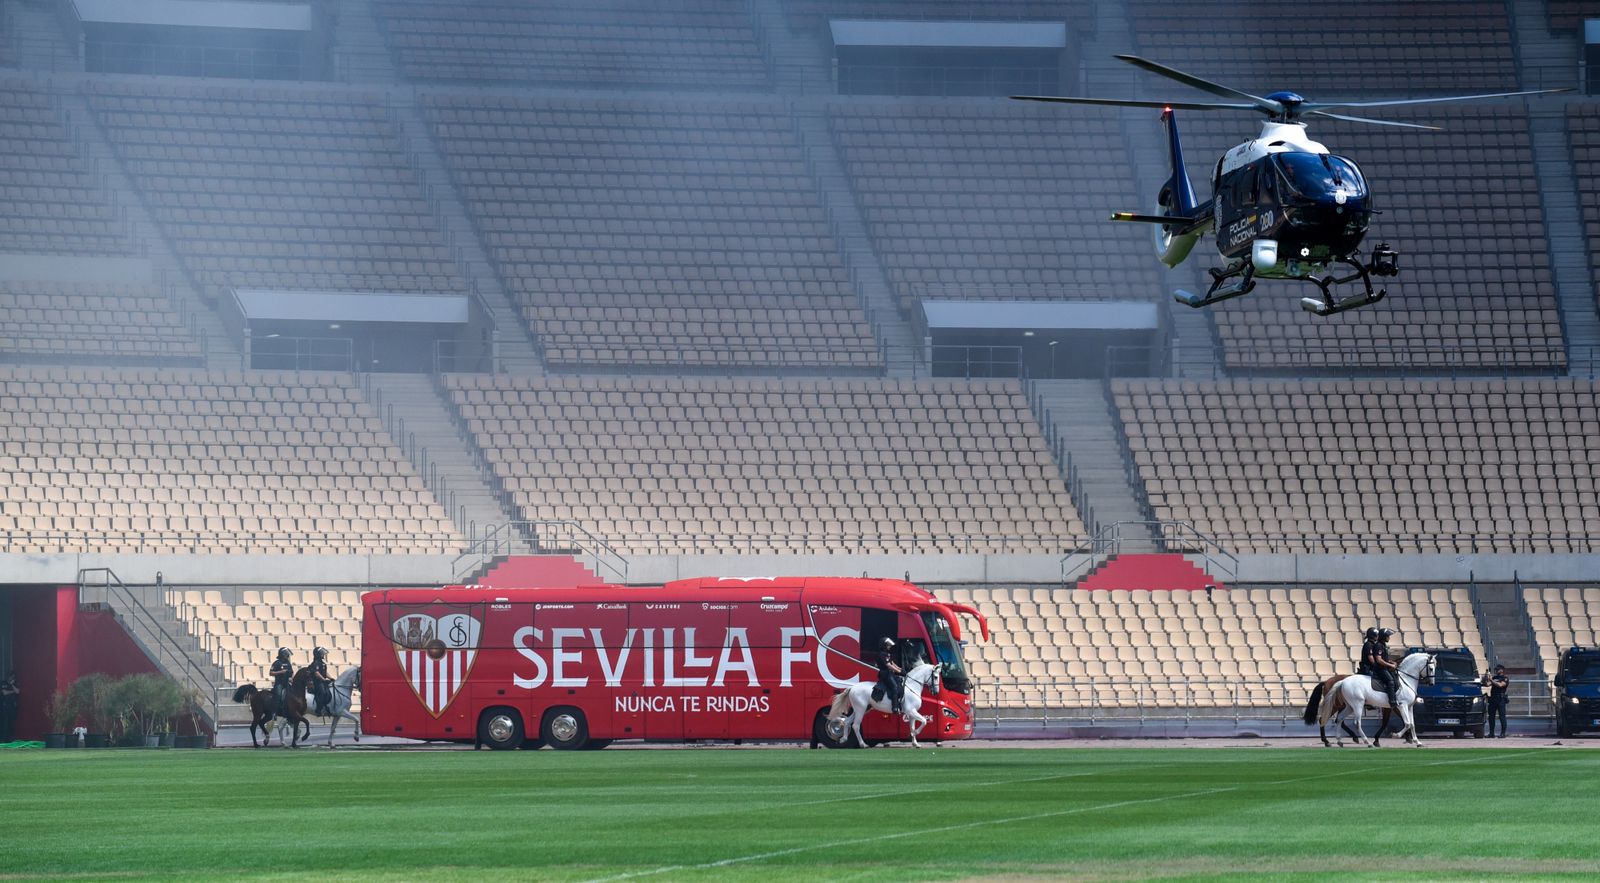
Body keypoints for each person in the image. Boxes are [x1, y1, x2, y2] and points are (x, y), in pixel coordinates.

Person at [1362, 627, 1399, 704]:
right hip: (1371, 668)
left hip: (1380, 667)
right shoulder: (1371, 645)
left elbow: (1383, 658)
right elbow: (1376, 660)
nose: (1389, 637)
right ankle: (1392, 701)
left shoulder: (1381, 645)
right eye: (1387, 636)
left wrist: (1391, 662)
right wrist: (1387, 665)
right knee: (1390, 681)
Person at [875, 637, 904, 715]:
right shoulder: (882, 654)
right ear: (884, 645)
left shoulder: (887, 654)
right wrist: (898, 671)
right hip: (885, 674)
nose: (889, 647)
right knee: (894, 687)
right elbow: (888, 665)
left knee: (900, 683)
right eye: (888, 645)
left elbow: (892, 663)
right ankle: (894, 707)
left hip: (890, 673)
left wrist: (900, 669)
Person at [306, 647, 334, 716]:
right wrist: (324, 680)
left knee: (330, 691)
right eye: (321, 653)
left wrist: (331, 678)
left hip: (322, 681)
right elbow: (316, 673)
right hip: (317, 682)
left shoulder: (323, 663)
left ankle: (327, 706)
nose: (323, 654)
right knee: (322, 692)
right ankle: (319, 709)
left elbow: (325, 673)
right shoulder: (316, 663)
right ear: (318, 654)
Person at [1484, 663, 1509, 738]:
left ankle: (1503, 733)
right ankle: (1491, 733)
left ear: (1501, 670)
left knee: (1502, 717)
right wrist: (1485, 678)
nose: (1496, 670)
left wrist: (1492, 680)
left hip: (1500, 699)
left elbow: (1501, 685)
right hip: (1493, 698)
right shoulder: (1494, 677)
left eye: (1498, 669)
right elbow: (1487, 684)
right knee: (1491, 717)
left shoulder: (1505, 678)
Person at [268, 648, 293, 713]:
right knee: (278, 695)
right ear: (282, 654)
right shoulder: (276, 663)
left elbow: (291, 672)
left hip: (287, 682)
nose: (287, 655)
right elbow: (271, 673)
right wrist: (281, 672)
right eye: (286, 654)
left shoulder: (288, 663)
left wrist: (292, 678)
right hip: (279, 683)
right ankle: (274, 712)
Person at [0, 673, 19, 742]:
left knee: (12, 723)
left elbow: (17, 692)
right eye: (11, 677)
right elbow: (4, 692)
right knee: (5, 723)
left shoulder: (15, 684)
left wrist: (12, 684)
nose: (12, 679)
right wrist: (12, 691)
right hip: (4, 707)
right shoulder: (3, 683)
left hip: (12, 707)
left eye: (13, 678)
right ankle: (3, 740)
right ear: (8, 677)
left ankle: (10, 739)